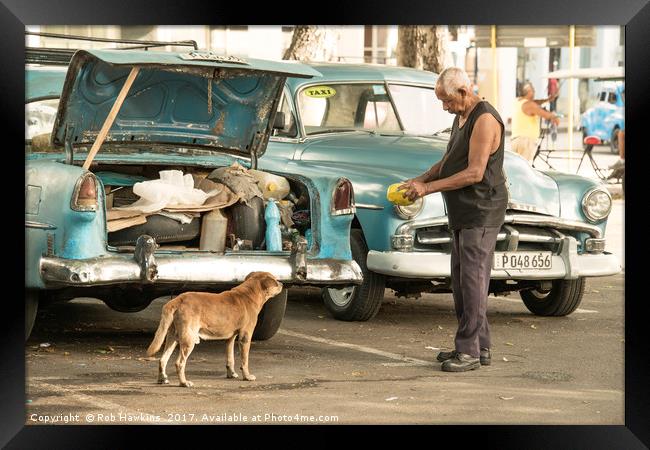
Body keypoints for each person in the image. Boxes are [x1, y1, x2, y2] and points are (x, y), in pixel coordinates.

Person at [399, 67, 508, 372]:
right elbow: (449, 162)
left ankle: (469, 352)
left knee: (471, 281)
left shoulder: (484, 119)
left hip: (481, 210)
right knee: (463, 282)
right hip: (464, 211)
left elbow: (474, 172)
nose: (444, 107)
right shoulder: (460, 117)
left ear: (462, 91)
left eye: (446, 100)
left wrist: (428, 189)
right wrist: (420, 180)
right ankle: (480, 346)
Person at [510, 81, 559, 164]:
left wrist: (547, 100)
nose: (534, 92)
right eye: (533, 90)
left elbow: (536, 102)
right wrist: (555, 117)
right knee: (524, 170)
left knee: (518, 168)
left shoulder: (518, 101)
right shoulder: (530, 105)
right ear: (529, 92)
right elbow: (546, 115)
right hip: (525, 142)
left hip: (516, 141)